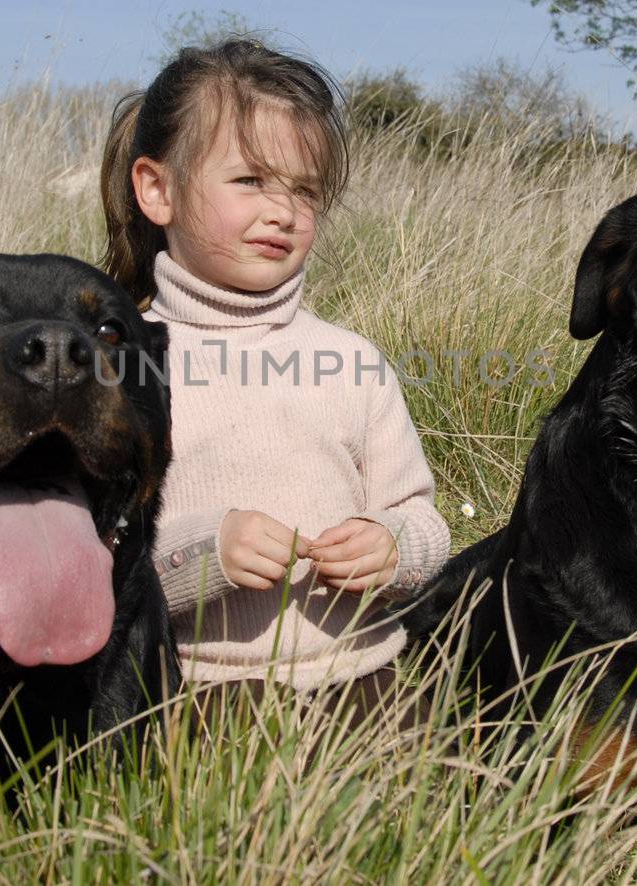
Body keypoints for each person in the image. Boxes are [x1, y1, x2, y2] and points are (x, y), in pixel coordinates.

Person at [98, 39, 449, 718]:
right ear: (157, 189)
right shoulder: (122, 368)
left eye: (305, 190)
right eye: (251, 180)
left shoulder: (350, 362)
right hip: (197, 688)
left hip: (365, 674)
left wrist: (393, 546)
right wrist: (207, 552)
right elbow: (95, 562)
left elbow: (423, 520)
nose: (283, 211)